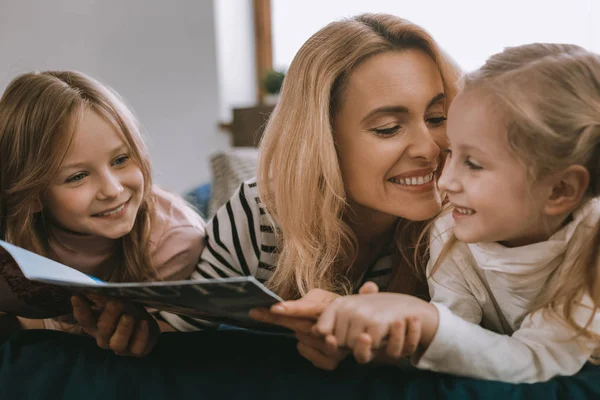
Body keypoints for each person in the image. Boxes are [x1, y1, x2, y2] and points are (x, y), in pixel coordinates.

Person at [152, 13, 461, 370]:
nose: (429, 148)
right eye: (388, 128)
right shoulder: (259, 215)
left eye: (437, 118)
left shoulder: (463, 216)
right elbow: (174, 331)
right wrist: (129, 330)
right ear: (321, 141)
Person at [315, 43, 600, 382]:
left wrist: (425, 319)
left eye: (474, 164)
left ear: (560, 190)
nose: (446, 181)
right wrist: (387, 331)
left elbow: (536, 358)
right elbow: (456, 340)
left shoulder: (591, 248)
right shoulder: (449, 231)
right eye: (450, 152)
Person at [0, 70, 205, 356]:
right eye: (78, 176)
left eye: (121, 159)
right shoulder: (13, 227)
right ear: (32, 196)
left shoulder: (176, 241)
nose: (112, 189)